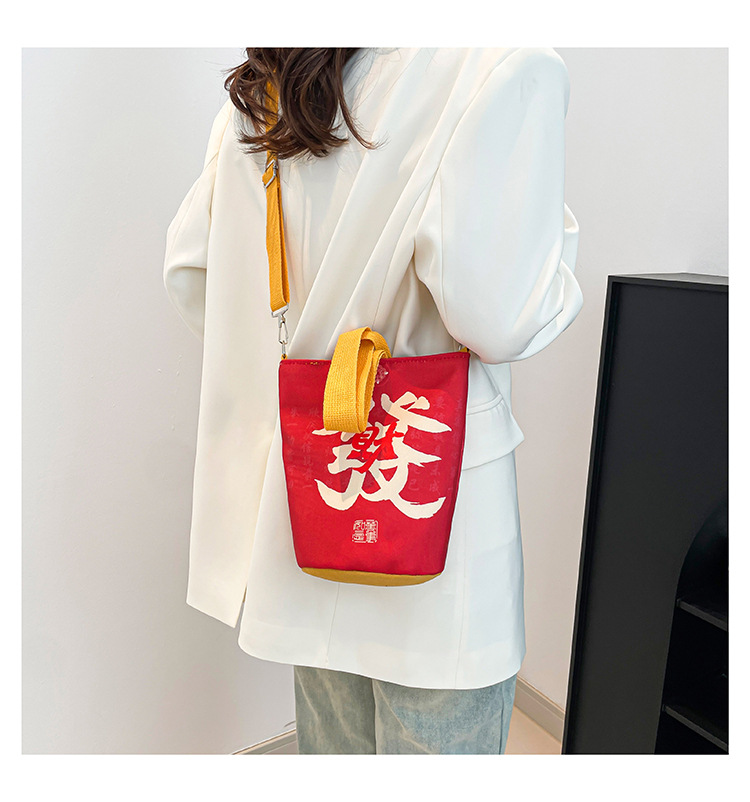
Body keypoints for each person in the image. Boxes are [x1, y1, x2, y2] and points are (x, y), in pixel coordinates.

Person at [163, 47, 583, 754]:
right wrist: (557, 246)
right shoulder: (497, 64)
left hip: (311, 503)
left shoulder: (268, 93)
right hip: (433, 523)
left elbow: (192, 272)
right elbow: (503, 317)